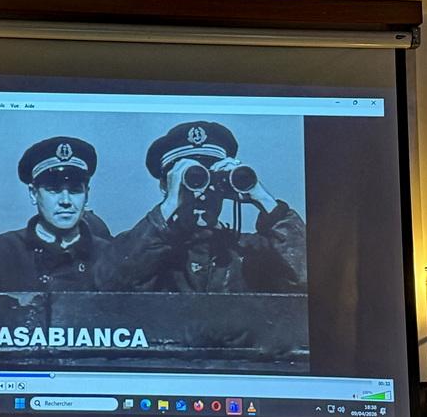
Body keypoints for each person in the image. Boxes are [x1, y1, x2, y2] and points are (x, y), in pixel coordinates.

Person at [96, 121, 306, 292]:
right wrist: (169, 206)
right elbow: (109, 284)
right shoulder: (143, 248)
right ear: (166, 186)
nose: (202, 193)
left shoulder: (249, 251)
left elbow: (306, 279)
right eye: (193, 179)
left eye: (210, 179)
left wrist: (263, 199)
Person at [0, 136, 108, 292]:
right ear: (33, 194)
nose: (65, 201)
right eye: (54, 190)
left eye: (75, 190)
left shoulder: (109, 257)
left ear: (87, 195)